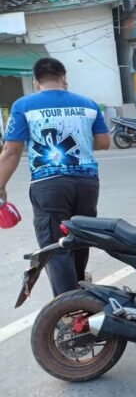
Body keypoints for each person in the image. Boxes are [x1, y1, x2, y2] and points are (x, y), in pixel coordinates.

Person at [0, 57, 110, 296]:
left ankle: (67, 306)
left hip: (48, 184)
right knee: (79, 237)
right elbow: (103, 142)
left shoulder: (24, 105)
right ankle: (79, 294)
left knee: (55, 245)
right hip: (87, 182)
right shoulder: (88, 104)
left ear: (35, 81)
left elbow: (11, 151)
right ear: (64, 78)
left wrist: (1, 186)